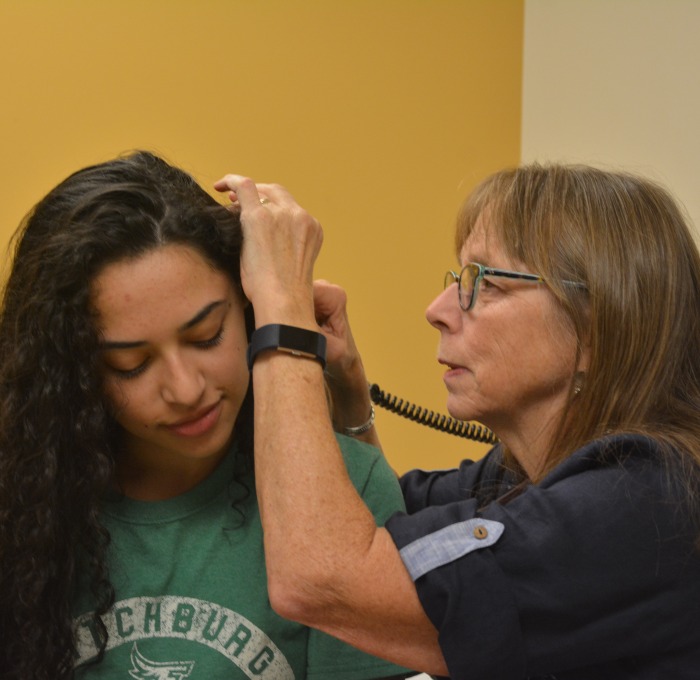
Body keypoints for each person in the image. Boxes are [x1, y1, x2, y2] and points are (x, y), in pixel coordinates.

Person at [214, 163, 700, 679]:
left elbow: (322, 577)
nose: (438, 310)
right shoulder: (520, 475)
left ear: (597, 328)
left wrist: (283, 311)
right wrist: (349, 394)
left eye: (486, 282)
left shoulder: (647, 500)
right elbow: (376, 528)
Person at [0, 151, 413, 680]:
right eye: (131, 364)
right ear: (75, 375)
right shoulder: (23, 509)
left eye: (207, 336)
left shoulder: (352, 489)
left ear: (248, 307)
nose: (186, 388)